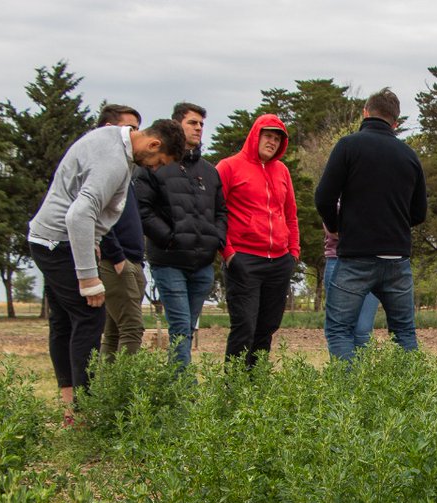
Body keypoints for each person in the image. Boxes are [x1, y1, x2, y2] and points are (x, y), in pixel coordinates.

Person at [28, 117, 185, 424]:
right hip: (57, 242)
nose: (154, 168)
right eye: (158, 161)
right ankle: (84, 412)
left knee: (62, 321)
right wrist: (89, 278)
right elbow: (78, 215)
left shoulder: (113, 138)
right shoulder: (115, 161)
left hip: (48, 237)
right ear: (153, 144)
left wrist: (95, 239)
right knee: (89, 315)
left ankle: (70, 407)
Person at [314, 88, 427, 360]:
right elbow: (419, 213)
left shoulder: (348, 146)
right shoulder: (409, 156)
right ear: (395, 122)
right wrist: (393, 226)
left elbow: (323, 197)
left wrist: (336, 226)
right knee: (404, 333)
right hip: (397, 258)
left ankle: (350, 396)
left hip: (356, 257)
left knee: (340, 330)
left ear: (365, 113)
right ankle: (415, 396)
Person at [136, 102, 227, 367]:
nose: (198, 128)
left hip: (202, 264)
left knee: (188, 327)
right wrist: (169, 238)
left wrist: (216, 239)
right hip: (169, 261)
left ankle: (177, 382)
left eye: (201, 124)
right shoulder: (155, 164)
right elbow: (143, 208)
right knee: (179, 326)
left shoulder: (209, 172)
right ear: (177, 125)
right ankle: (182, 391)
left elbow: (221, 210)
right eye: (192, 123)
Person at [216, 113, 299, 368]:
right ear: (255, 135)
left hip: (279, 261)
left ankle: (257, 384)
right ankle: (233, 388)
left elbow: (290, 214)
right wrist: (229, 253)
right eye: (268, 136)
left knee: (267, 327)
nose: (272, 142)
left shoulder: (282, 170)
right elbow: (216, 213)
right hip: (244, 258)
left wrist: (293, 253)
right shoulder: (228, 167)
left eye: (277, 138)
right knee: (245, 326)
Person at [93, 104, 147, 359]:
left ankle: (106, 388)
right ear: (108, 129)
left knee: (114, 331)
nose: (135, 135)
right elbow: (97, 216)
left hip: (133, 260)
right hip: (116, 260)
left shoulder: (126, 168)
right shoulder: (102, 167)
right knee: (132, 328)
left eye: (137, 129)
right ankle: (125, 392)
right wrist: (116, 257)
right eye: (129, 128)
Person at [323, 226, 380, 351]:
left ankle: (362, 370)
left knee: (363, 330)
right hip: (338, 257)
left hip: (373, 259)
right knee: (339, 329)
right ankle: (343, 370)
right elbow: (331, 227)